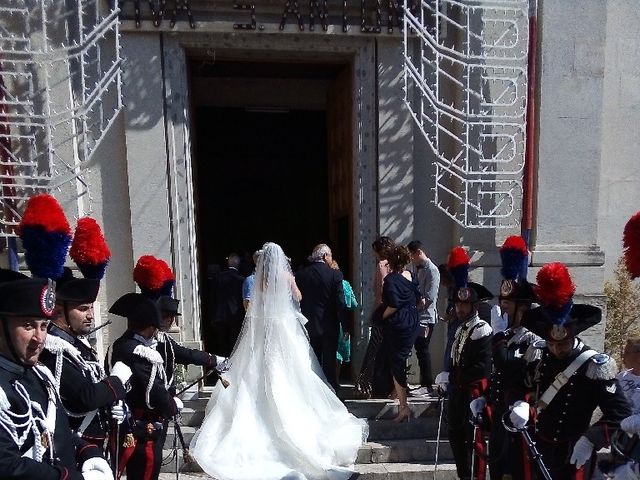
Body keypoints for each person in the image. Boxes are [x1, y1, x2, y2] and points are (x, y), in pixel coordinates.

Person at [190, 242, 368, 480]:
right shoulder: (286, 275)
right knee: (295, 373)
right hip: (284, 328)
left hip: (264, 328)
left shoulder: (257, 278)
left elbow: (252, 307)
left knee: (255, 371)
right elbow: (298, 296)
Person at [0, 193, 112, 479]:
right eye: (28, 326)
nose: (39, 338)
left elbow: (56, 430)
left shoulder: (38, 375)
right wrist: (69, 476)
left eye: (44, 326)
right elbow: (8, 466)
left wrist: (87, 452)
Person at [508, 262, 631, 479]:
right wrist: (520, 403)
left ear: (573, 336)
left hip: (575, 450)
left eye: (562, 344)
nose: (555, 349)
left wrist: (591, 439)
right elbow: (519, 386)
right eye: (551, 343)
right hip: (538, 447)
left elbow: (619, 414)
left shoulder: (593, 365)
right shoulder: (539, 354)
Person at [39, 218, 131, 451]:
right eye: (82, 309)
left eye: (91, 307)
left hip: (97, 445)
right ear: (59, 311)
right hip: (75, 448)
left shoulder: (77, 347)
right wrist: (116, 381)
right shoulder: (52, 349)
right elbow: (85, 397)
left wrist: (116, 406)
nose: (91, 315)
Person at [470, 235, 539, 480]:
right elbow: (499, 375)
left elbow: (508, 367)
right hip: (500, 418)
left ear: (524, 306)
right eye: (503, 301)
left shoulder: (534, 340)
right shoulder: (508, 335)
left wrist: (498, 335)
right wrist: (485, 398)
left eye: (510, 302)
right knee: (497, 473)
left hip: (521, 423)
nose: (504, 307)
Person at [107, 292, 182, 480]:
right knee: (146, 473)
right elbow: (154, 391)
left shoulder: (120, 344)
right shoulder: (140, 352)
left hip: (131, 424)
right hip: (142, 426)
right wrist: (172, 405)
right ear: (150, 327)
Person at [435, 246, 493, 480]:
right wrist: (445, 376)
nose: (459, 309)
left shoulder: (481, 330)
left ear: (474, 307)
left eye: (464, 306)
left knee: (474, 444)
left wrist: (454, 376)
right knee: (456, 439)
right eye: (458, 305)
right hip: (458, 394)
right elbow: (455, 358)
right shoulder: (461, 328)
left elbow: (482, 367)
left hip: (473, 394)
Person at [295, 243, 348, 390]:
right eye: (330, 255)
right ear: (325, 256)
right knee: (329, 362)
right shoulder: (335, 275)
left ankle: (313, 392)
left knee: (312, 362)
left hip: (308, 325)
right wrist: (346, 326)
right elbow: (341, 303)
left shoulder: (301, 275)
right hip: (329, 325)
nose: (331, 258)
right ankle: (331, 393)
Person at [377, 245, 421, 422]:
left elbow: (393, 304)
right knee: (400, 360)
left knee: (396, 362)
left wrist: (381, 317)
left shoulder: (390, 280)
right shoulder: (411, 276)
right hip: (412, 321)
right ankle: (397, 392)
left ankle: (404, 407)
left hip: (398, 324)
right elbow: (420, 300)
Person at [355, 235, 396, 398]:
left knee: (374, 351)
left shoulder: (382, 265)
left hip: (383, 312)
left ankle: (365, 386)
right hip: (397, 314)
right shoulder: (398, 265)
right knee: (390, 352)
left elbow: (380, 294)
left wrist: (373, 315)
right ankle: (387, 387)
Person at [407, 240, 440, 397]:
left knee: (423, 350)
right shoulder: (416, 268)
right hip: (416, 315)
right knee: (419, 350)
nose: (411, 260)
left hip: (425, 317)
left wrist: (415, 307)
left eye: (412, 256)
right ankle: (423, 383)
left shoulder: (432, 270)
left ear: (419, 252)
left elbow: (429, 297)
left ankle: (427, 385)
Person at [212, 253, 245, 356]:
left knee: (221, 343)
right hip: (236, 315)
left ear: (228, 263)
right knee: (234, 342)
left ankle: (222, 365)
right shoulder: (241, 279)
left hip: (220, 315)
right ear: (238, 265)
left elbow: (213, 297)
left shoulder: (218, 278)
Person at [331, 260, 358, 383]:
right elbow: (354, 304)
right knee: (339, 354)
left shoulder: (328, 282)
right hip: (343, 322)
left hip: (330, 320)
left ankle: (328, 381)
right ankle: (336, 379)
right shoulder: (346, 284)